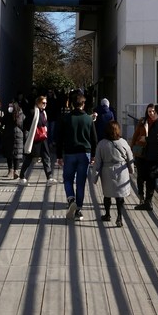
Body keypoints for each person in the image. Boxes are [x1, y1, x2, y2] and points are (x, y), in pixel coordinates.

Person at [57, 92, 97, 220]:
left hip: (69, 153)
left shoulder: (66, 118)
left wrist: (59, 155)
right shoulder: (88, 119)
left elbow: (60, 138)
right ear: (83, 104)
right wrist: (93, 156)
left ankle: (71, 199)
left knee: (68, 179)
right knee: (81, 182)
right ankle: (79, 209)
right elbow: (94, 139)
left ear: (72, 104)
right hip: (85, 153)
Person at [93, 119, 134, 226]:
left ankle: (107, 214)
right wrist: (131, 170)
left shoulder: (102, 144)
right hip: (121, 170)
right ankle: (119, 217)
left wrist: (95, 177)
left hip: (107, 171)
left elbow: (97, 162)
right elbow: (130, 158)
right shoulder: (123, 142)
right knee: (119, 196)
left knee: (107, 194)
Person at [136, 103, 158, 212]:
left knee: (150, 177)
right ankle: (147, 201)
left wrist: (146, 139)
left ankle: (148, 202)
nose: (152, 113)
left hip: (154, 154)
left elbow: (157, 137)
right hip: (151, 154)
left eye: (154, 111)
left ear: (156, 112)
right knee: (149, 177)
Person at [19, 95, 56, 185]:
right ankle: (22, 177)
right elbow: (25, 124)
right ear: (38, 103)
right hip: (34, 138)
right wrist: (29, 133)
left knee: (46, 157)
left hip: (43, 138)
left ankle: (49, 177)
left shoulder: (44, 113)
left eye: (46, 103)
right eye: (43, 103)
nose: (45, 104)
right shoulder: (33, 112)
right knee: (29, 157)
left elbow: (44, 124)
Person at [2, 99, 25, 178]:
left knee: (16, 154)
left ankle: (15, 170)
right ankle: (12, 170)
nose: (9, 108)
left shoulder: (20, 114)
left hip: (16, 135)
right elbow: (3, 122)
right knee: (10, 154)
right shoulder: (8, 114)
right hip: (10, 135)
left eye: (11, 106)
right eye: (9, 106)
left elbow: (22, 124)